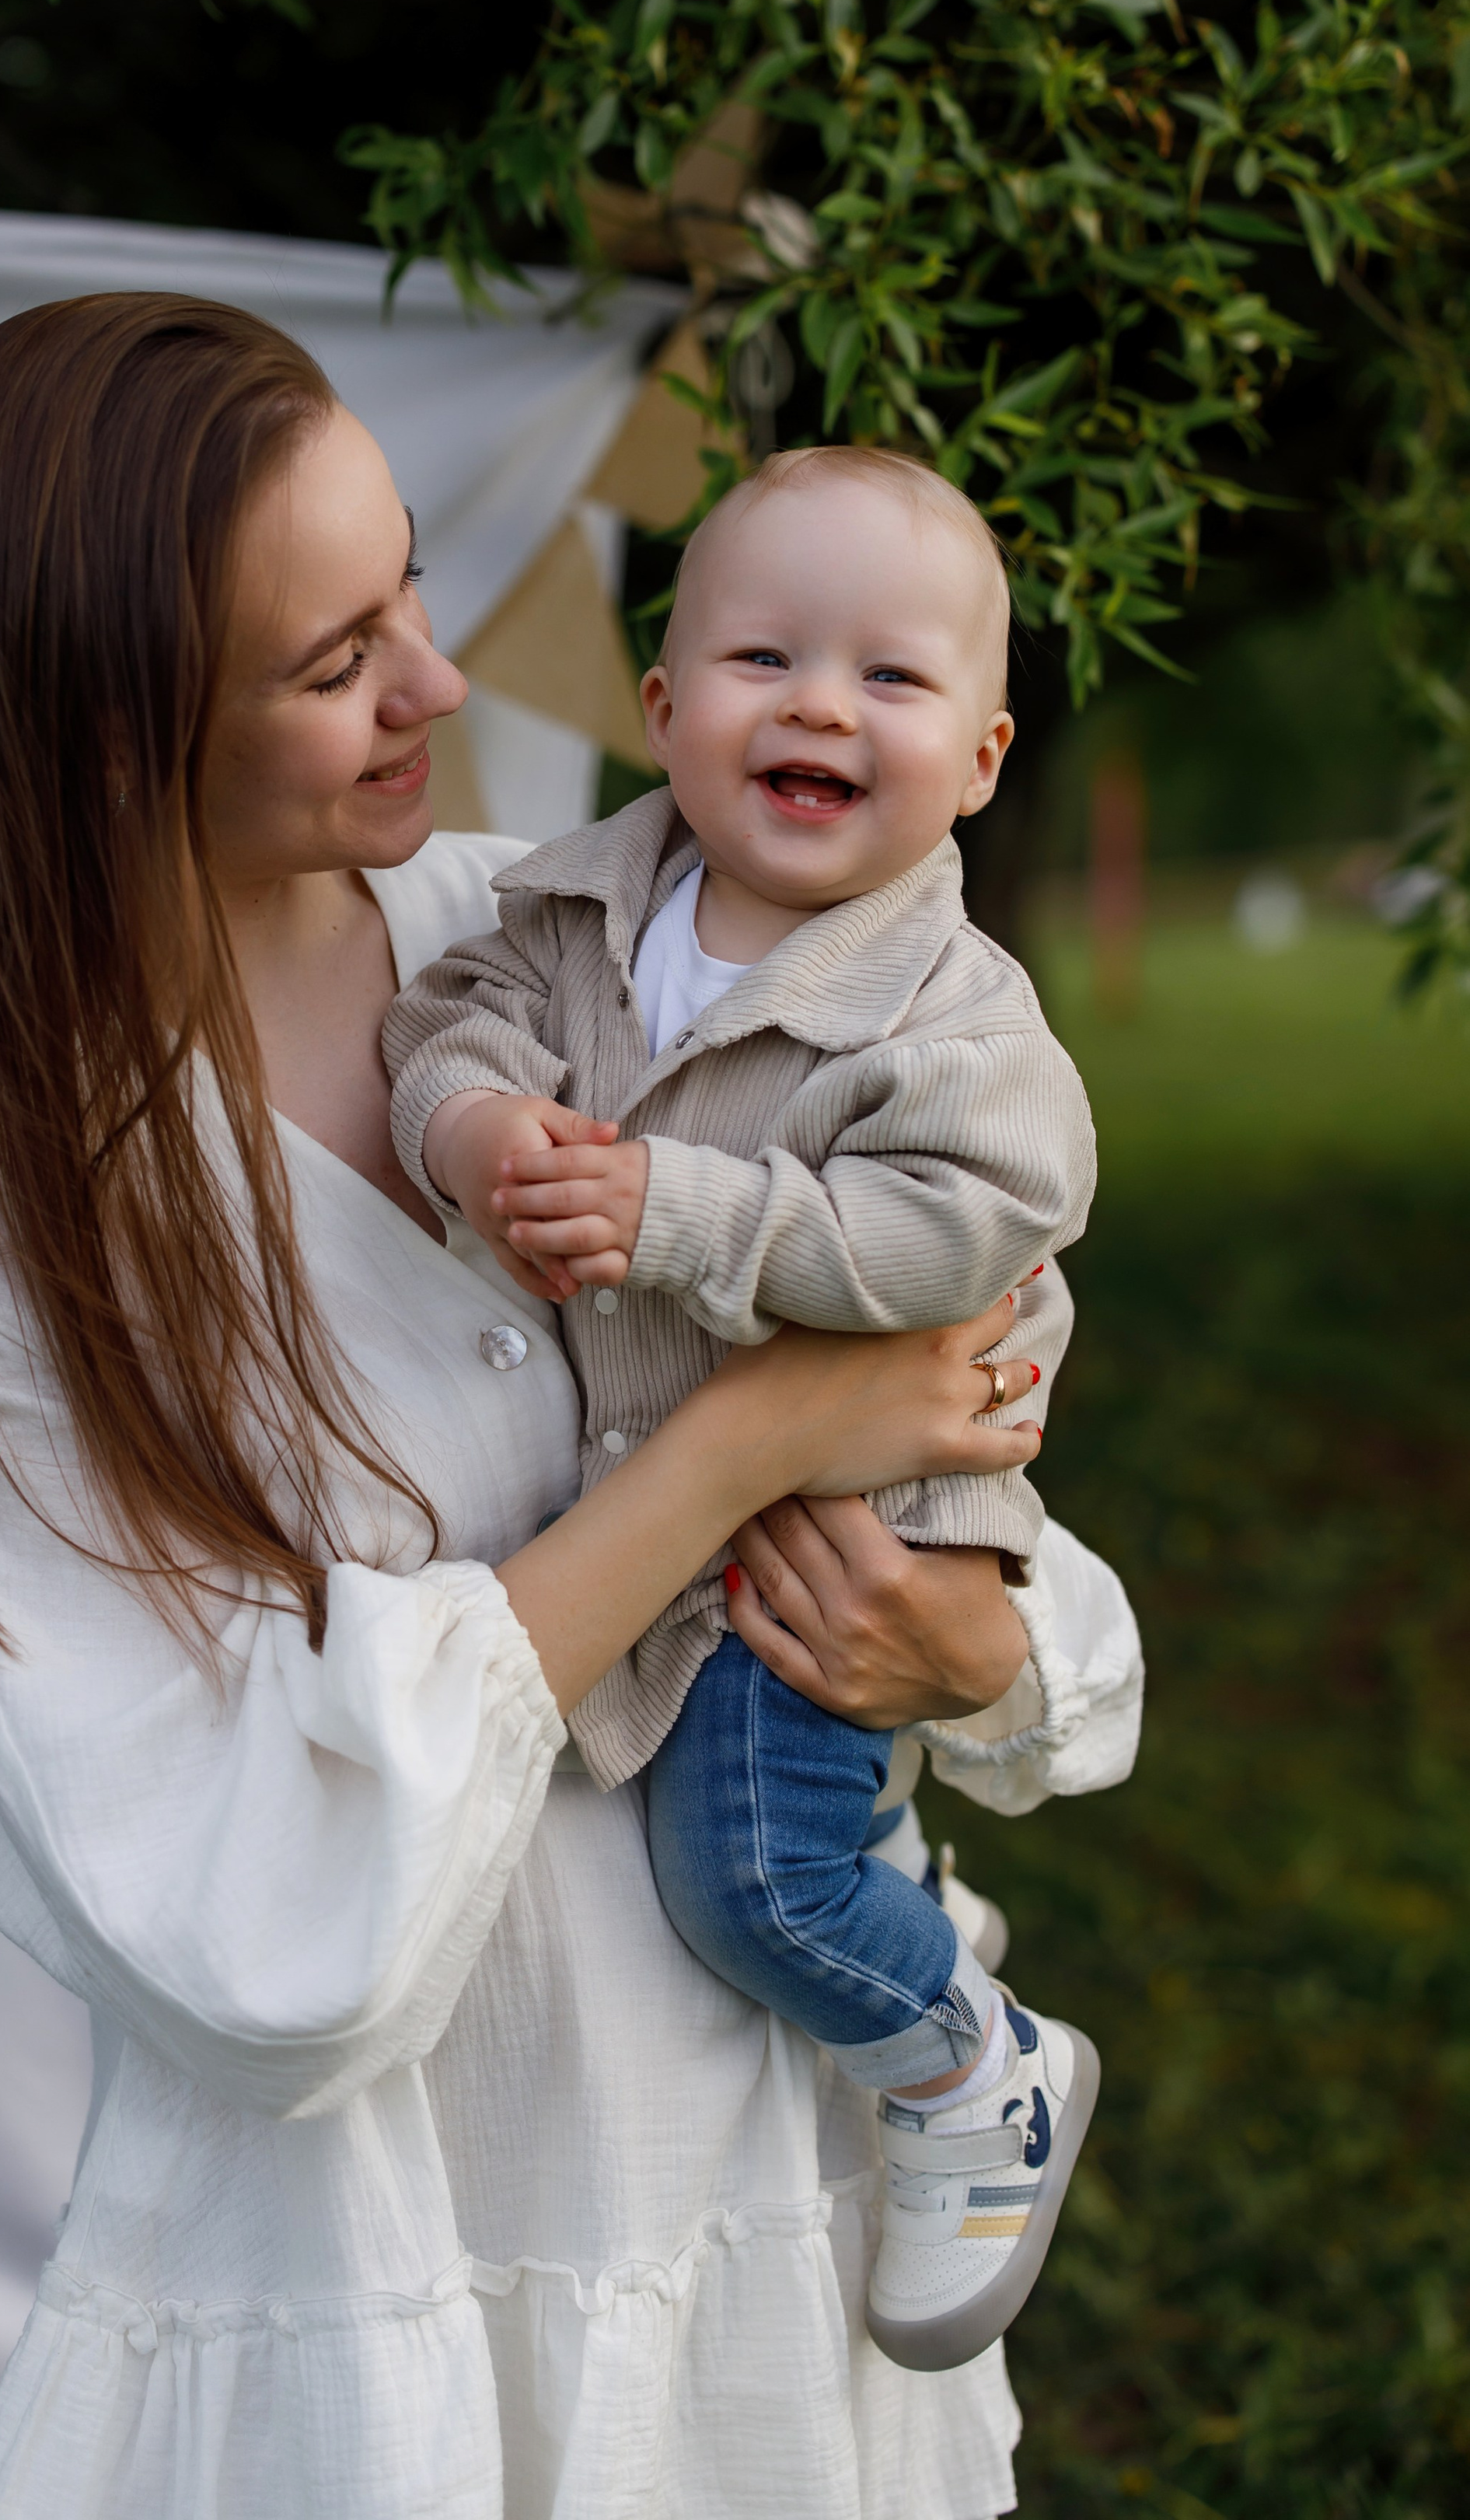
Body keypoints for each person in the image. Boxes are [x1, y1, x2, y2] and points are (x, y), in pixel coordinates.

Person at [0, 295, 1133, 2520]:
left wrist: (988, 1650)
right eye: (334, 661)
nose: (442, 681)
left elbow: (960, 1399)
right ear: (112, 737)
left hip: (755, 2237)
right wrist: (740, 1452)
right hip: (392, 2315)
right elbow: (261, 1947)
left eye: (406, 580)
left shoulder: (555, 936)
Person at [385, 446, 1099, 2371]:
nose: (814, 703)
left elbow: (958, 1234)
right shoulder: (567, 912)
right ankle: (912, 1995)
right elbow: (438, 1019)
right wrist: (473, 1132)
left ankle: (971, 2059)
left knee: (751, 1875)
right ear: (662, 707)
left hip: (844, 1516)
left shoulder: (957, 1016)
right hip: (677, 1502)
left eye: (889, 677)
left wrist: (672, 1209)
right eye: (762, 655)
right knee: (746, 1854)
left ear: (977, 757)